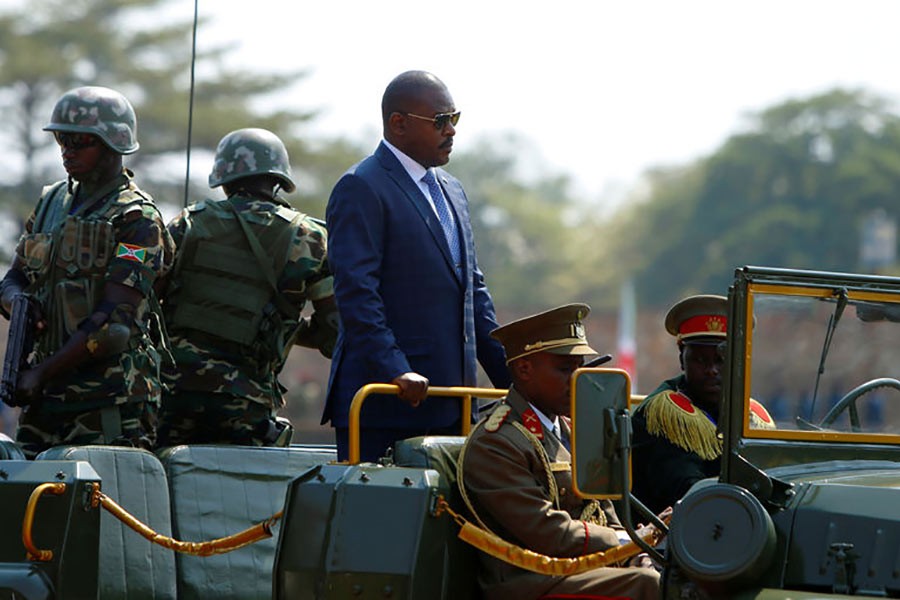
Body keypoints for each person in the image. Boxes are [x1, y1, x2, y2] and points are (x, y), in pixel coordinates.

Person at [323, 70, 510, 461]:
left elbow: (473, 295)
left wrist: (515, 379)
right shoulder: (362, 186)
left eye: (454, 119)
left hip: (453, 403)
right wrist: (395, 369)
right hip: (387, 403)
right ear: (399, 123)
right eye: (441, 121)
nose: (452, 131)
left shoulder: (453, 191)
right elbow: (357, 292)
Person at [0, 86, 174, 458]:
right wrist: (19, 305)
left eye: (80, 142)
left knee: (104, 510)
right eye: (62, 139)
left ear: (114, 144)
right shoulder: (52, 202)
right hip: (45, 401)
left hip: (109, 404)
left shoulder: (137, 218)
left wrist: (41, 373)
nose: (67, 151)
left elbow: (114, 324)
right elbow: (13, 278)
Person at [458, 303, 662, 600]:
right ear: (524, 369)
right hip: (532, 580)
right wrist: (628, 540)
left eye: (581, 367)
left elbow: (603, 508)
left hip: (580, 568)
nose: (578, 378)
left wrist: (635, 552)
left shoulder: (571, 429)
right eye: (566, 369)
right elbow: (548, 533)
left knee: (672, 574)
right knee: (648, 585)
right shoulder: (497, 442)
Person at [156, 128, 338, 447]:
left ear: (223, 179)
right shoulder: (309, 238)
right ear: (279, 180)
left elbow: (150, 300)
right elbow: (334, 331)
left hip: (172, 394)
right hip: (247, 402)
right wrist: (286, 329)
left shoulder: (189, 223)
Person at [631, 294, 775, 515]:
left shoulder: (753, 414)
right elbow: (688, 490)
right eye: (700, 360)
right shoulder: (665, 414)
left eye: (721, 360)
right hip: (674, 538)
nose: (711, 370)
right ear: (682, 359)